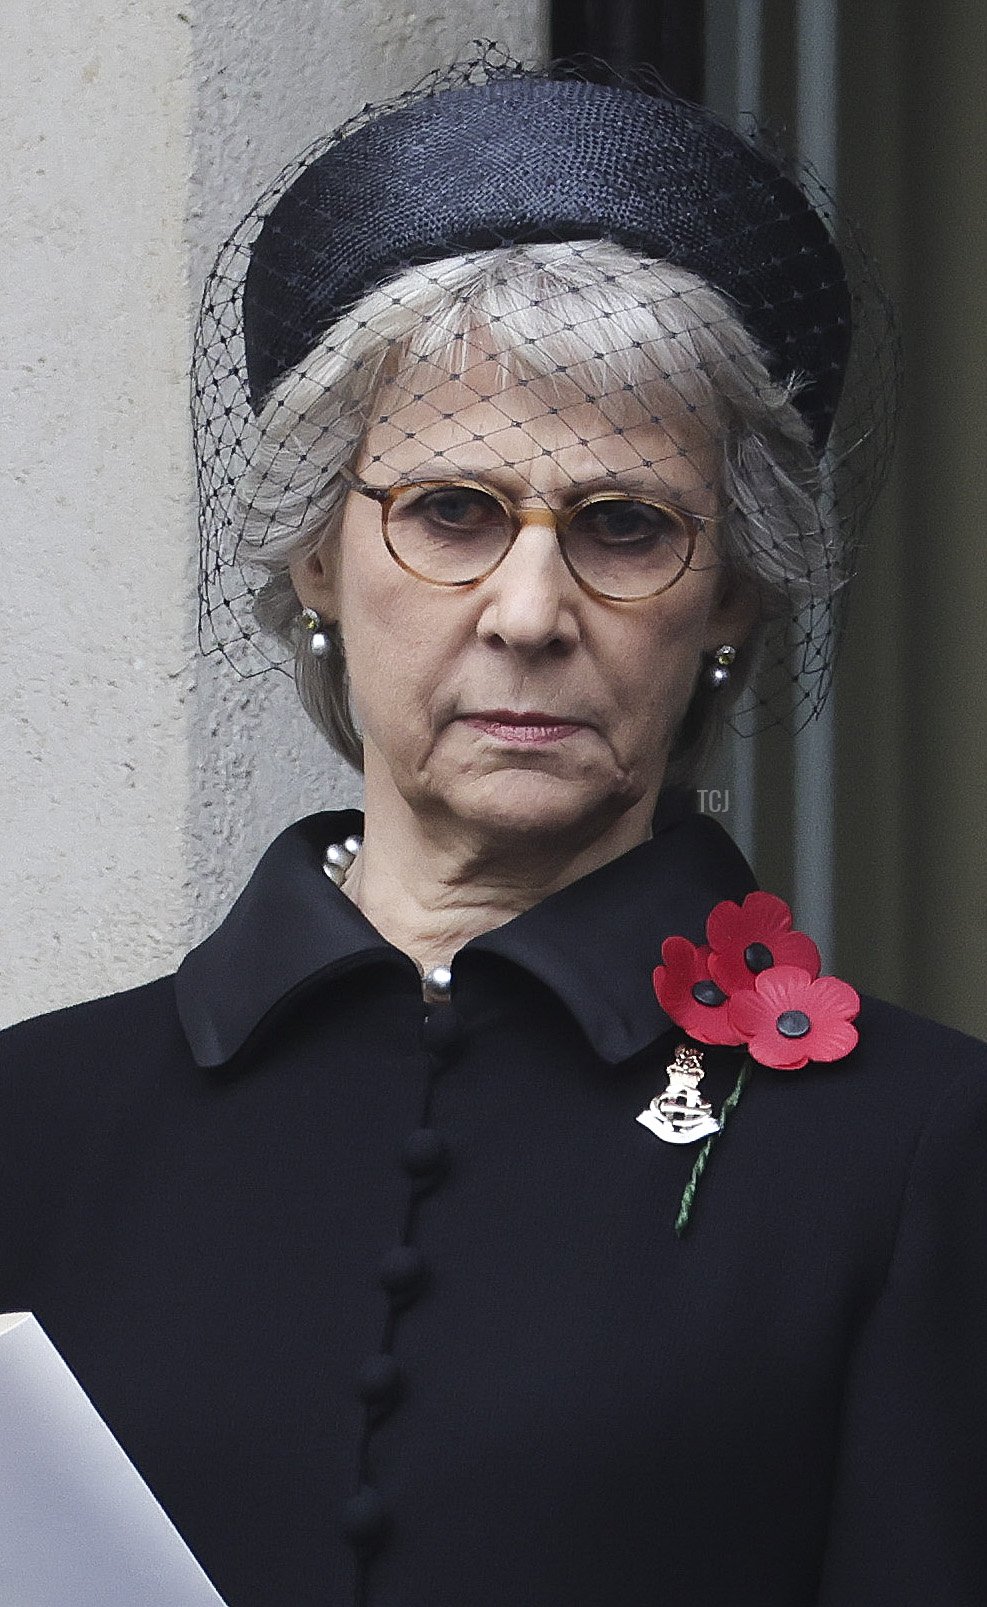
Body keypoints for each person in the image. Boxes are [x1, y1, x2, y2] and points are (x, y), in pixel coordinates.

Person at [2, 49, 985, 1607]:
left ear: (728, 595)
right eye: (451, 512)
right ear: (319, 554)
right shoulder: (33, 1120)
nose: (529, 614)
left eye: (624, 527)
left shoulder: (922, 1149)